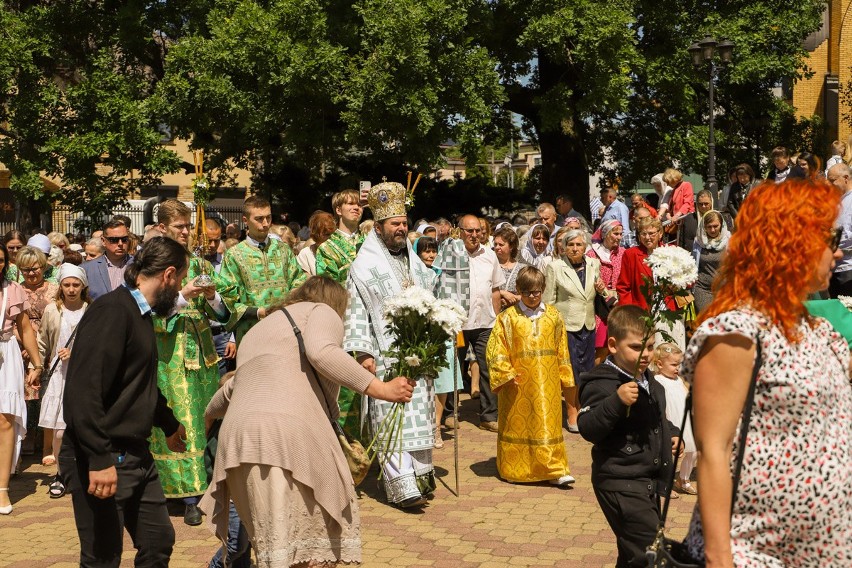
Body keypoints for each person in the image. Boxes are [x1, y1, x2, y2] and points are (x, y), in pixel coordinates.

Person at [681, 179, 851, 566]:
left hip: (825, 554)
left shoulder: (819, 330)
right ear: (792, 243)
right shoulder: (737, 334)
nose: (837, 252)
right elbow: (713, 452)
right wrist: (720, 558)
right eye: (830, 238)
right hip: (754, 554)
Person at [200, 276, 414, 566]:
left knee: (274, 550)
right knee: (306, 549)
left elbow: (231, 388)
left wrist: (208, 416)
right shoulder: (320, 311)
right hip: (286, 437)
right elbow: (322, 352)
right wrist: (382, 389)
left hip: (238, 444)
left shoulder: (259, 330)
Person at [60, 237, 189, 565]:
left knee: (158, 541)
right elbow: (82, 392)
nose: (180, 292)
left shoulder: (140, 314)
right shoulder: (113, 311)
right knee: (103, 557)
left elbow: (138, 381)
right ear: (169, 275)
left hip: (136, 456)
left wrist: (169, 423)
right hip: (101, 458)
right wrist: (99, 459)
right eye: (181, 283)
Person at [343, 181, 443, 508]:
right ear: (380, 227)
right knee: (391, 416)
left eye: (403, 223)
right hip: (384, 355)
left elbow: (430, 296)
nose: (401, 229)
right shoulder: (363, 266)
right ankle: (401, 485)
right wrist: (363, 352)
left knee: (417, 414)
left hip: (417, 353)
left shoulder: (414, 261)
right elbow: (356, 311)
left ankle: (420, 475)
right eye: (394, 224)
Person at [577, 304, 680, 568]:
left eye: (649, 347)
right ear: (612, 345)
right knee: (653, 557)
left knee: (634, 556)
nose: (645, 354)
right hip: (619, 481)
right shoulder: (602, 382)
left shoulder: (650, 381)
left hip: (645, 483)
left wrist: (672, 434)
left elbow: (657, 418)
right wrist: (616, 401)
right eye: (636, 347)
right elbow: (588, 426)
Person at [152, 200, 230, 526]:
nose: (186, 232)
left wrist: (212, 296)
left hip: (205, 360)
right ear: (162, 228)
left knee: (206, 420)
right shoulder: (154, 266)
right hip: (172, 361)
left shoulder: (200, 263)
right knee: (182, 423)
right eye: (179, 227)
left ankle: (208, 485)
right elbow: (151, 317)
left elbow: (223, 315)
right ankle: (187, 496)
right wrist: (182, 294)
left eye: (187, 226)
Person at [486, 266, 575, 486]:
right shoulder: (507, 318)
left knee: (547, 423)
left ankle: (553, 469)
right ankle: (515, 469)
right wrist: (505, 372)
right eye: (526, 293)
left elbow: (562, 349)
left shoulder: (554, 316)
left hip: (548, 383)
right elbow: (496, 348)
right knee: (519, 425)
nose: (532, 297)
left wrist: (566, 379)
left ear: (543, 289)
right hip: (517, 383)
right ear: (518, 290)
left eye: (536, 292)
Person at [219, 196, 307, 345]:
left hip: (285, 327)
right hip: (252, 332)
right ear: (245, 221)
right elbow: (228, 299)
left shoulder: (283, 249)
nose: (265, 224)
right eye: (259, 219)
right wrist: (259, 312)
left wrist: (290, 301)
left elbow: (298, 280)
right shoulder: (234, 255)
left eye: (268, 217)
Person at [544, 229, 608, 433]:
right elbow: (548, 302)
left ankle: (582, 407)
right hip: (566, 327)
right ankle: (571, 410)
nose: (575, 248)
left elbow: (601, 294)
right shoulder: (555, 267)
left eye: (579, 244)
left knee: (587, 369)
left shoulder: (593, 264)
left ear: (585, 247)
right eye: (570, 245)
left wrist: (602, 289)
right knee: (569, 370)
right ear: (563, 247)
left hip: (588, 324)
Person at [37, 264, 89, 499]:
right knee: (59, 432)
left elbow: (97, 345)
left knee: (80, 429)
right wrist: (35, 367)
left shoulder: (91, 311)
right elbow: (42, 342)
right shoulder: (52, 310)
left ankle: (81, 472)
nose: (71, 289)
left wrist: (76, 353)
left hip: (82, 376)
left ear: (83, 286)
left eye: (75, 284)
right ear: (60, 286)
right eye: (66, 284)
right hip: (59, 376)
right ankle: (61, 473)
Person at [0, 241, 43, 515]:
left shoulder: (12, 290)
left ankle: (2, 489)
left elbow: (25, 328)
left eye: (2, 260)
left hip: (6, 353)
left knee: (5, 421)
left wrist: (36, 363)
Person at [455, 214, 504, 433]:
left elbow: (495, 289)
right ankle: (448, 413)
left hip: (485, 321)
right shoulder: (452, 254)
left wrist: (498, 317)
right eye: (469, 231)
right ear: (460, 232)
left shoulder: (490, 256)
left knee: (488, 367)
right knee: (453, 367)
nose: (474, 235)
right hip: (457, 322)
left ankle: (489, 416)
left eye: (478, 231)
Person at [416, 236, 462, 450]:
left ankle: (437, 426)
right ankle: (423, 425)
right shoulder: (413, 274)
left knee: (442, 380)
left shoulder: (443, 274)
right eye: (426, 251)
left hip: (440, 330)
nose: (430, 255)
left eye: (433, 251)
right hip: (419, 331)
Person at [16, 245, 60, 460]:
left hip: (50, 346)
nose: (31, 273)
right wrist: (25, 344)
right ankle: (28, 435)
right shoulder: (16, 289)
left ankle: (47, 442)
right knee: (26, 396)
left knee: (46, 393)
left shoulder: (54, 289)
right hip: (20, 347)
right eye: (26, 270)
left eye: (35, 269)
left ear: (43, 267)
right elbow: (12, 320)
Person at [617, 217, 685, 350]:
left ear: (660, 233)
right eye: (643, 233)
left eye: (651, 233)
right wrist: (630, 315)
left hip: (670, 312)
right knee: (648, 354)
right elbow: (623, 287)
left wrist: (678, 284)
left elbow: (688, 279)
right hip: (643, 314)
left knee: (672, 353)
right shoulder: (631, 255)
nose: (647, 237)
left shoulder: (672, 251)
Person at [652, 343, 696, 496]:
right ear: (659, 364)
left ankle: (683, 479)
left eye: (680, 364)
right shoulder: (658, 380)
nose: (678, 368)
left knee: (693, 451)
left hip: (685, 420)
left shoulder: (679, 379)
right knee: (670, 454)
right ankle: (665, 484)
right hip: (671, 421)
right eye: (674, 364)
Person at [586, 219, 626, 362]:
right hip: (599, 305)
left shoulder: (623, 253)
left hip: (619, 302)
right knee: (601, 347)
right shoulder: (592, 254)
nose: (619, 237)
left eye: (621, 234)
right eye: (615, 234)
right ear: (605, 234)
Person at [315, 189, 365, 284]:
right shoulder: (326, 248)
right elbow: (328, 287)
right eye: (350, 203)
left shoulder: (370, 240)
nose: (356, 208)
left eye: (360, 205)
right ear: (338, 210)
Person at [82, 218, 133, 301]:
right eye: (114, 240)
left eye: (124, 239)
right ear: (103, 241)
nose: (120, 244)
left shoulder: (139, 265)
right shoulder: (86, 269)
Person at [692, 210, 730, 313]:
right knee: (706, 319)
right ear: (704, 227)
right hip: (703, 289)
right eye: (709, 227)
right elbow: (694, 262)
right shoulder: (698, 241)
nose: (712, 230)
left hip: (724, 290)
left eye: (715, 226)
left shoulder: (729, 241)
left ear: (721, 225)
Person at [828, 162, 852, 297]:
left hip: (849, 268)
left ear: (846, 178)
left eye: (832, 180)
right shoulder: (837, 200)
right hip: (835, 266)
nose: (830, 185)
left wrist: (834, 236)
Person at [296, 211, 335, 276]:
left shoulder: (339, 251)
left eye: (332, 234)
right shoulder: (306, 254)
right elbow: (305, 281)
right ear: (315, 234)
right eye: (326, 234)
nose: (330, 238)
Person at [493, 226, 522, 311]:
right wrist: (502, 293)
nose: (497, 247)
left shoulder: (522, 269)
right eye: (495, 244)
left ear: (511, 246)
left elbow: (528, 294)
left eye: (501, 244)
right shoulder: (489, 265)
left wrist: (514, 298)